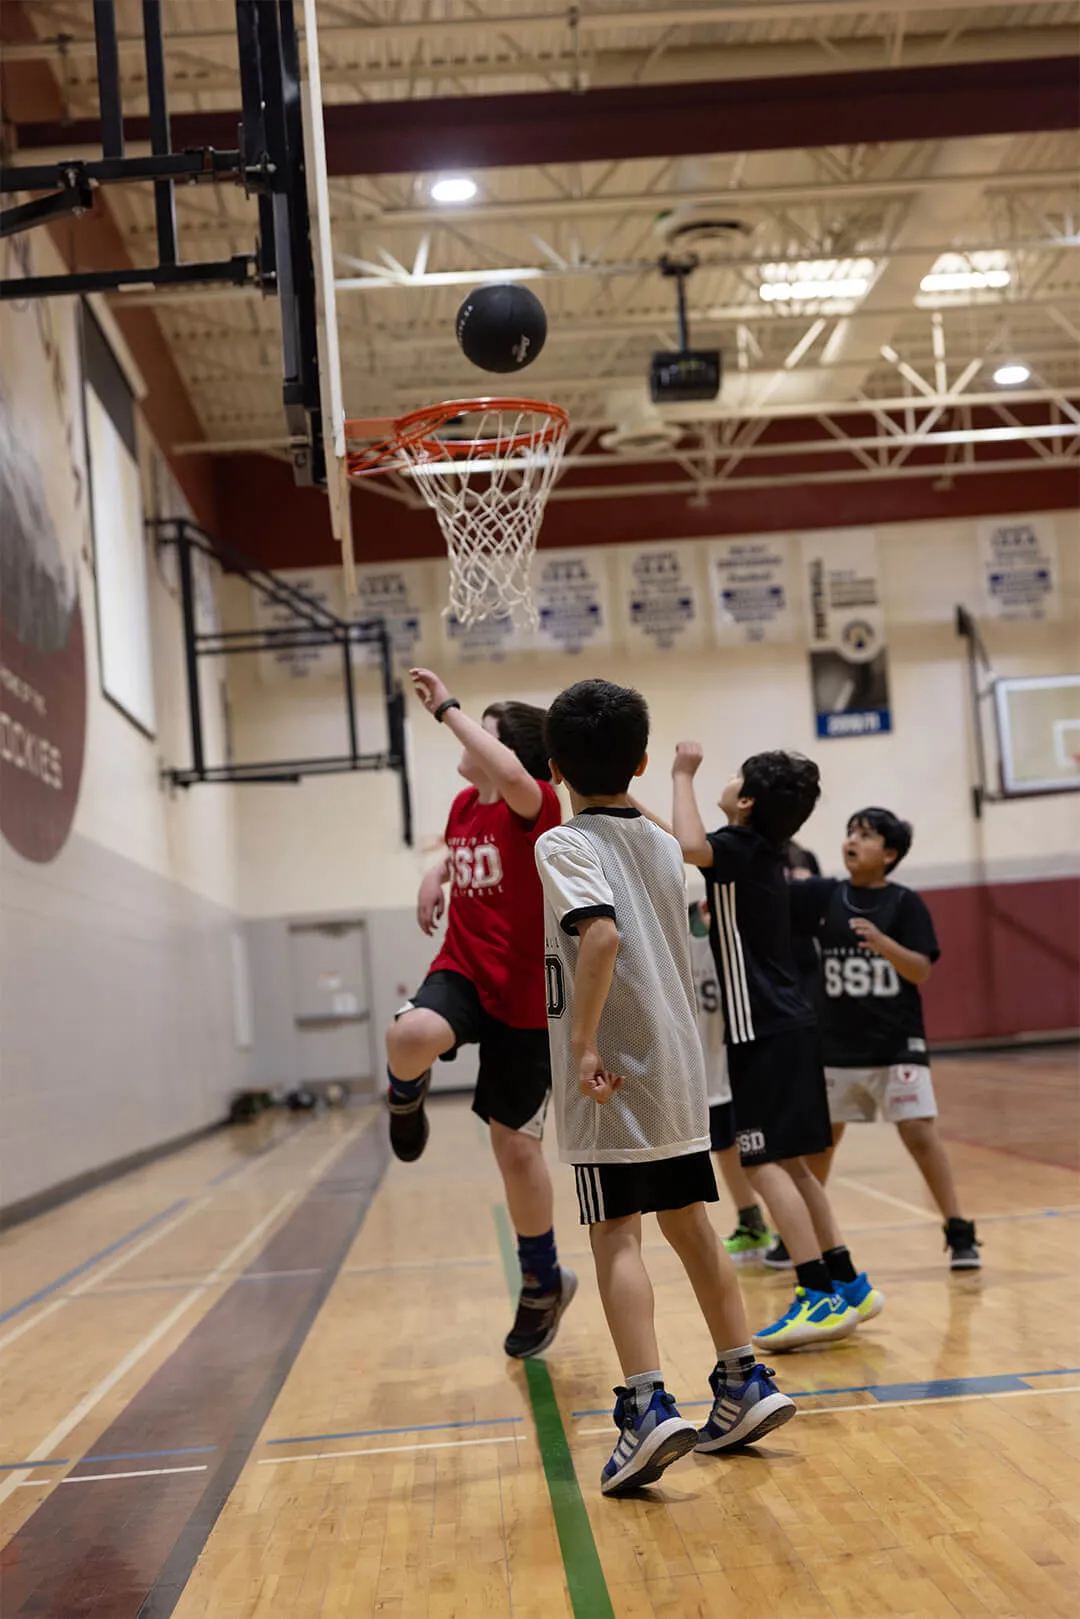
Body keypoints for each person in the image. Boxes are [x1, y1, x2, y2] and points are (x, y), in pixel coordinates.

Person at [536, 679, 795, 1496]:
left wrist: (581, 1047)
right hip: (680, 1070)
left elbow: (601, 935)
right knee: (692, 1227)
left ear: (552, 767)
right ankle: (742, 1378)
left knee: (616, 1235)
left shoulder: (562, 843)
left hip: (613, 1076)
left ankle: (646, 1408)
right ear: (642, 761)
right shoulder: (662, 844)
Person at [385, 668, 575, 1359]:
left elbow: (513, 781)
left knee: (515, 1148)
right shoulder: (465, 806)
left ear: (512, 755)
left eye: (487, 734)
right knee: (408, 1035)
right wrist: (435, 874)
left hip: (525, 1000)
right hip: (464, 971)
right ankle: (405, 1095)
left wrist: (448, 708)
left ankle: (542, 1281)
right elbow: (462, 855)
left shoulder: (539, 802)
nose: (469, 739)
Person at [671, 745, 884, 1352]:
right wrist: (620, 797)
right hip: (788, 1025)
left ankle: (815, 1293)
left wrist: (680, 774)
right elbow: (680, 838)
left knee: (761, 1162)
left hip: (760, 1030)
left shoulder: (736, 848)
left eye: (734, 776)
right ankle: (845, 1279)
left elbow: (688, 846)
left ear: (744, 803)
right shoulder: (756, 851)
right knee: (791, 1162)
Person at [792, 807, 981, 1270]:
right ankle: (799, 1234)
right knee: (821, 1145)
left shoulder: (904, 903)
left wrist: (884, 943)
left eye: (866, 835)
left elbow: (920, 969)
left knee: (919, 1131)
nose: (852, 839)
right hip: (836, 1045)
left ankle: (959, 1229)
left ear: (889, 853)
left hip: (897, 1041)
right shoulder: (824, 896)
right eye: (850, 831)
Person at [687, 887, 774, 1262]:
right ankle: (753, 1223)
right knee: (725, 1150)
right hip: (705, 1071)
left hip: (739, 1066)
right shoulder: (678, 926)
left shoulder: (742, 933)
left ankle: (793, 1235)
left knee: (762, 1156)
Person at [762, 840, 824, 1271]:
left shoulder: (805, 869)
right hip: (765, 1016)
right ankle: (813, 1248)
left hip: (798, 1012)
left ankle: (808, 1249)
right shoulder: (743, 855)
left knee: (784, 1153)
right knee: (780, 1155)